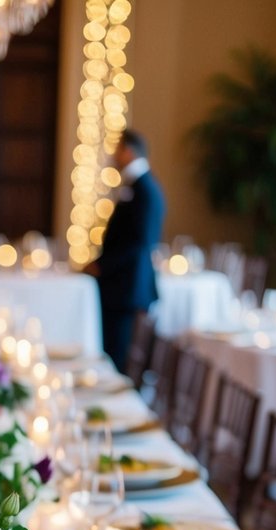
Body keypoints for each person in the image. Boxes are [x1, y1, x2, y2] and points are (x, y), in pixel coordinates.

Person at [83, 129, 165, 373]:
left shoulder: (145, 190)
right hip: (121, 287)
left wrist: (101, 265)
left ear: (128, 151)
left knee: (116, 358)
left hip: (126, 288)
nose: (114, 156)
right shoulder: (137, 186)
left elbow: (138, 242)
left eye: (117, 150)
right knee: (111, 351)